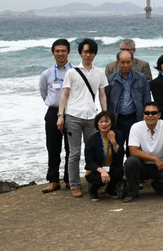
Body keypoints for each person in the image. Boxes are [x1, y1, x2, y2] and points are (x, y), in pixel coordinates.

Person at [57, 38, 109, 198]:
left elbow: (102, 95)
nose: (88, 55)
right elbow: (64, 94)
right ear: (80, 53)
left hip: (92, 117)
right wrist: (61, 115)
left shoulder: (99, 73)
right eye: (85, 52)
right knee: (74, 153)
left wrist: (104, 115)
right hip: (73, 116)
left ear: (95, 54)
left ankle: (96, 182)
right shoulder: (71, 72)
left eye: (91, 52)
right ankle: (75, 185)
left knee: (95, 152)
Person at [123, 102, 163, 202]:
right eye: (147, 113)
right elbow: (133, 151)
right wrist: (154, 159)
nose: (150, 116)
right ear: (143, 115)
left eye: (154, 113)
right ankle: (133, 192)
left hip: (162, 165)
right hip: (143, 165)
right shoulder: (136, 127)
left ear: (159, 115)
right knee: (130, 162)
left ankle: (158, 186)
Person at [39, 38, 72, 193]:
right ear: (53, 53)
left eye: (63, 51)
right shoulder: (46, 73)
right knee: (53, 147)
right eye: (57, 51)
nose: (60, 54)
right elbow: (44, 93)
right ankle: (53, 180)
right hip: (53, 112)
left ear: (68, 52)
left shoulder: (75, 71)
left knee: (71, 148)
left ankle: (68, 179)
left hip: (71, 112)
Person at [105, 50, 151, 148]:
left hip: (135, 118)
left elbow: (147, 98)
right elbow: (106, 100)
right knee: (117, 150)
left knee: (134, 149)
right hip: (117, 119)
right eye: (122, 62)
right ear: (117, 63)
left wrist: (146, 116)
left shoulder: (141, 77)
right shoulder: (110, 79)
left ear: (132, 62)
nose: (125, 65)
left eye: (128, 62)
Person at [84, 111, 124, 202]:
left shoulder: (118, 135)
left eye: (106, 121)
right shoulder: (92, 139)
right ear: (97, 124)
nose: (103, 124)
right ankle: (93, 191)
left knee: (119, 171)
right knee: (99, 178)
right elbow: (89, 162)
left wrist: (113, 141)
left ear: (111, 123)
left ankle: (109, 190)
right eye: (101, 122)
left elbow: (121, 155)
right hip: (95, 170)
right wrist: (102, 171)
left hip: (110, 168)